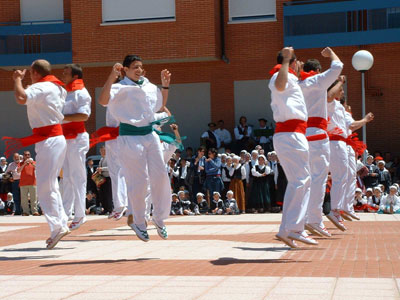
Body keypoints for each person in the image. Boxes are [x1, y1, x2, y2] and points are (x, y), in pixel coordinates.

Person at [98, 55, 171, 242]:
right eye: (135, 67)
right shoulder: (119, 87)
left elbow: (160, 106)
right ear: (125, 69)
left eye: (141, 67)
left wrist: (165, 86)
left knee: (161, 175)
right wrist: (111, 76)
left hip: (150, 135)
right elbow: (103, 100)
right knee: (139, 181)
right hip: (130, 137)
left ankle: (159, 218)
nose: (139, 70)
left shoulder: (149, 86)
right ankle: (138, 221)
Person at [7, 59, 69, 249]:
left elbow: (21, 98)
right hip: (56, 138)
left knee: (43, 186)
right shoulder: (58, 87)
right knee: (51, 184)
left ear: (34, 73)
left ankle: (57, 227)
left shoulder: (41, 87)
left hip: (49, 140)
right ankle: (62, 222)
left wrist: (17, 80)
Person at [268, 47, 316, 248]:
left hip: (290, 134)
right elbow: (279, 85)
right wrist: (288, 60)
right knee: (302, 180)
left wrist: (295, 69)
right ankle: (296, 228)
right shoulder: (280, 74)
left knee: (298, 181)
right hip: (291, 134)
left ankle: (286, 230)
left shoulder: (290, 78)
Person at [298, 47, 343, 237]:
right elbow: (338, 66)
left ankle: (301, 220)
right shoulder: (317, 81)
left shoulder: (297, 83)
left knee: (304, 180)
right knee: (319, 178)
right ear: (317, 71)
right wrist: (331, 53)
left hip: (301, 134)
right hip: (317, 133)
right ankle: (314, 219)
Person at [61, 64, 91, 229]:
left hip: (77, 138)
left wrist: (61, 116)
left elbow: (84, 116)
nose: (62, 75)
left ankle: (80, 214)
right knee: (67, 177)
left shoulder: (81, 92)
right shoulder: (65, 92)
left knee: (77, 176)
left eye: (66, 73)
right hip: (65, 137)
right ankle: (66, 212)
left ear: (75, 76)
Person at [17, 151, 38, 216]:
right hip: (23, 183)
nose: (27, 156)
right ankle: (26, 212)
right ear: (24, 156)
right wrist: (24, 164)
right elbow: (18, 171)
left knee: (33, 198)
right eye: (26, 155)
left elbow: (38, 168)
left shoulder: (33, 162)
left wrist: (32, 163)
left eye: (28, 155)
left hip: (32, 183)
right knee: (24, 199)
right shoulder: (20, 163)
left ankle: (34, 211)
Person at [97, 145, 113, 215]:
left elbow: (111, 168)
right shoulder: (101, 159)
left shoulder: (108, 158)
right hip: (102, 179)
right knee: (102, 195)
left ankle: (110, 209)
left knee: (108, 194)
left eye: (103, 150)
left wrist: (102, 169)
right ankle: (105, 208)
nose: (102, 152)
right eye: (101, 151)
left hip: (108, 178)